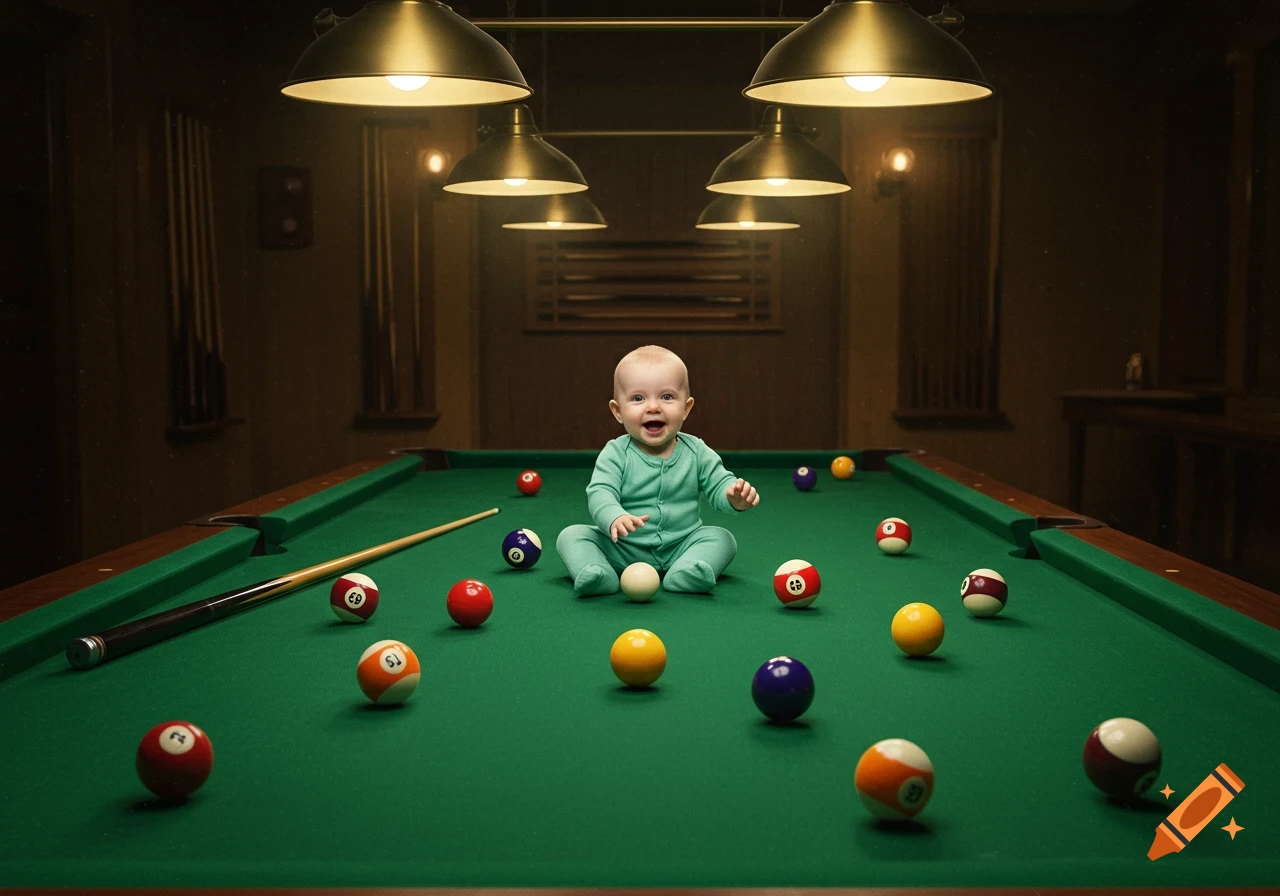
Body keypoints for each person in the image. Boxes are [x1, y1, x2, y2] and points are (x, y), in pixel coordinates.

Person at [556, 345, 760, 596]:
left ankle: (687, 570)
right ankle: (598, 572)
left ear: (686, 408)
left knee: (722, 538)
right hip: (622, 547)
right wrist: (614, 516)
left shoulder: (696, 450)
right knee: (571, 536)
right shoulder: (616, 452)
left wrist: (733, 497)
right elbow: (601, 492)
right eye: (638, 398)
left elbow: (719, 483)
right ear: (618, 411)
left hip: (682, 545)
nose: (653, 407)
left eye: (666, 397)